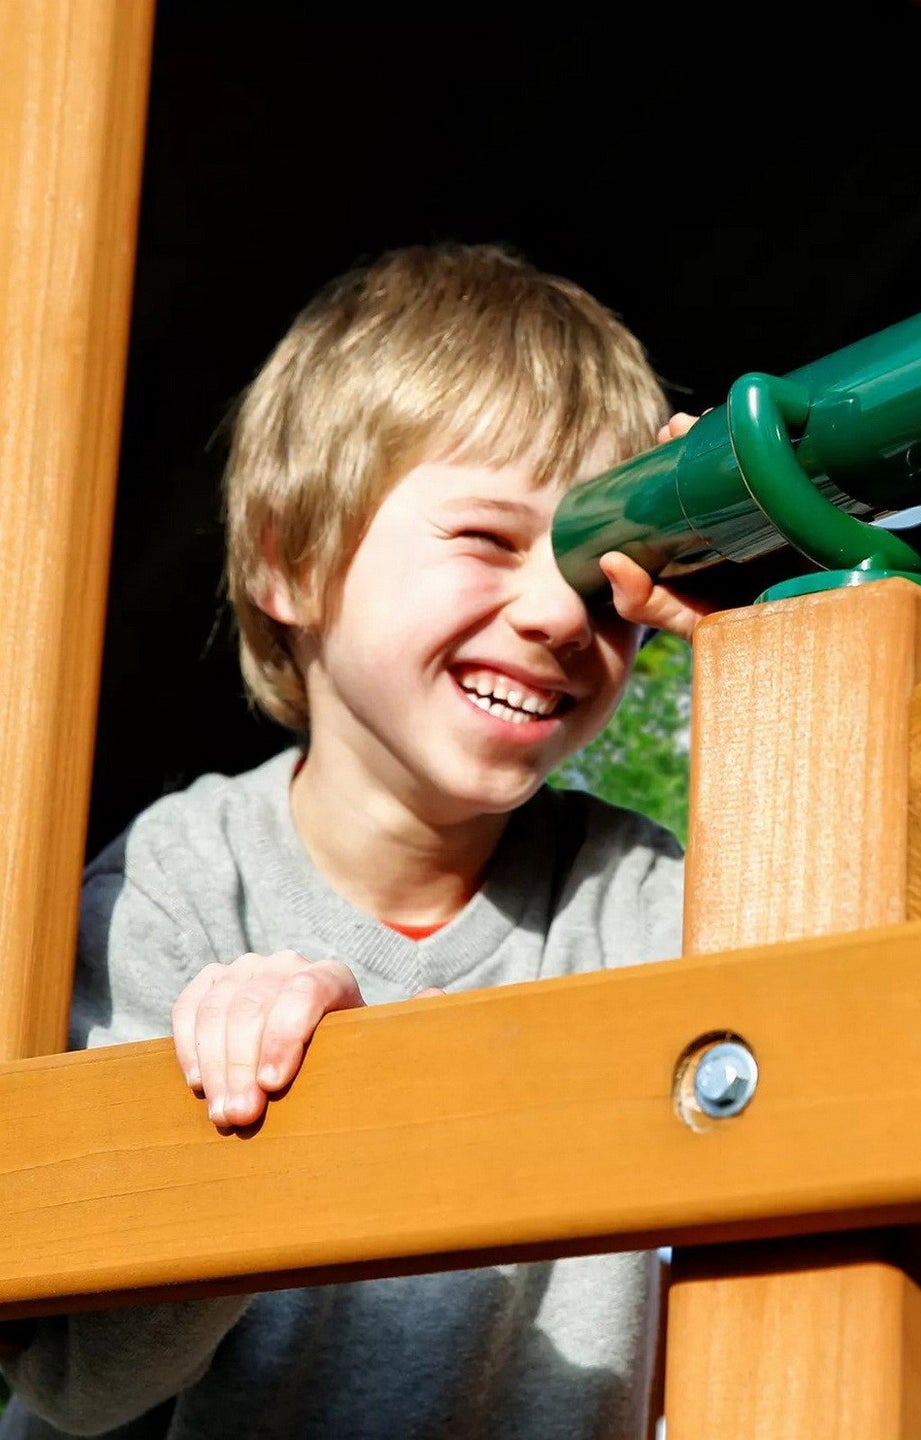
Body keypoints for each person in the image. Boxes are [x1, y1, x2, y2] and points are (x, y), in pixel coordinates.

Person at [0, 243, 708, 1439]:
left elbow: (886, 984)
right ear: (291, 555)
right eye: (488, 540)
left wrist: (763, 637)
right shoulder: (169, 894)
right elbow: (78, 1380)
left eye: (603, 572)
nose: (552, 612)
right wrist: (257, 1121)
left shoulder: (638, 899)